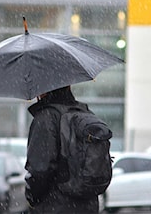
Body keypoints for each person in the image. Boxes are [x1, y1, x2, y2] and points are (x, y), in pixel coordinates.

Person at [24, 85, 99, 213]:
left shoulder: (46, 117)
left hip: (55, 206)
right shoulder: (85, 114)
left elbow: (40, 169)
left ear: (44, 91)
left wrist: (32, 197)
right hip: (88, 205)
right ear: (68, 87)